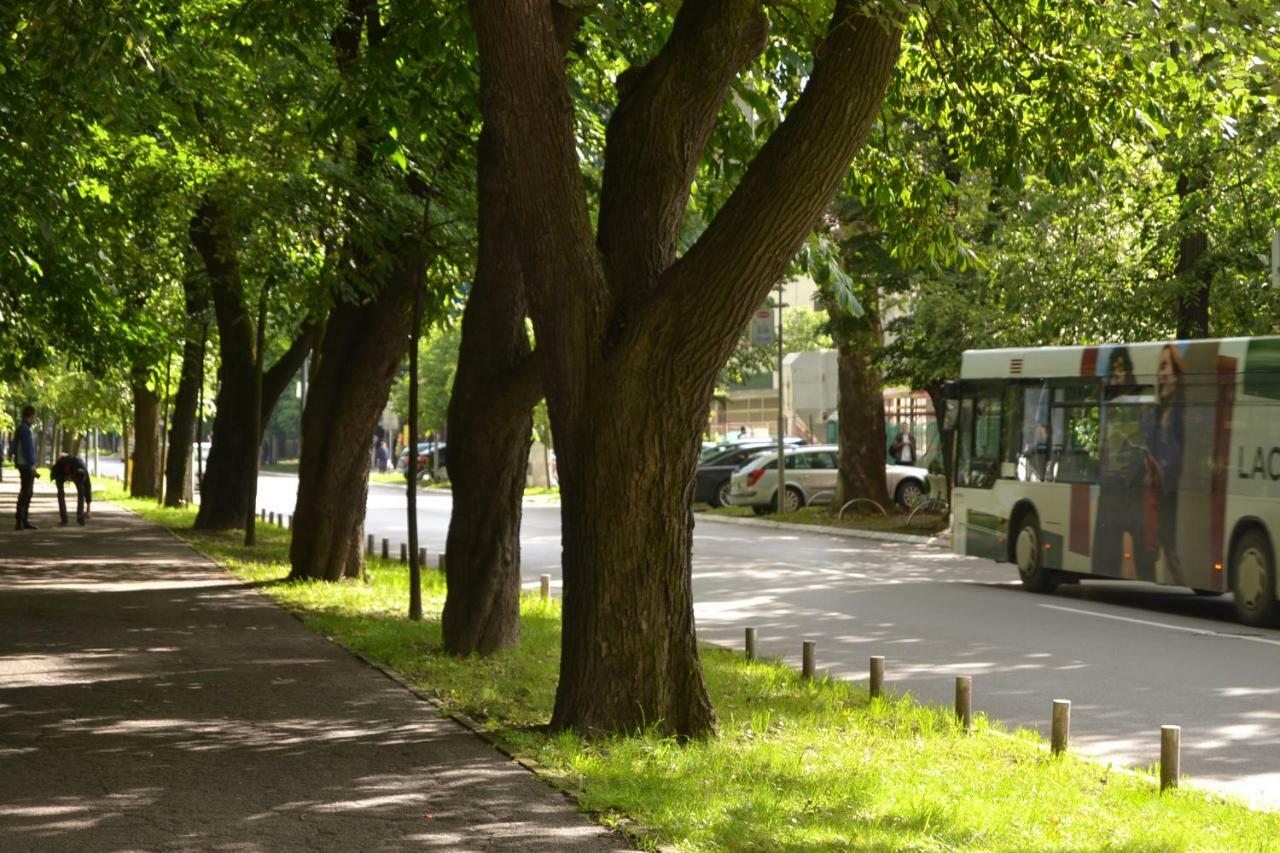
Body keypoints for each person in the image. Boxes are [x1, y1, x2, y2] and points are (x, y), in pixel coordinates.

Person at [1144, 343, 1187, 585]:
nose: (1160, 374)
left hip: (1167, 496)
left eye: (1164, 367)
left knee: (1169, 551)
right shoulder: (1157, 413)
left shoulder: (1181, 415)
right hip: (1153, 493)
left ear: (1177, 376)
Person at [13, 406, 38, 530]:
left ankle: (23, 519)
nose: (35, 419)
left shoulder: (22, 428)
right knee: (26, 492)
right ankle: (21, 520)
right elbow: (28, 449)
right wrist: (32, 465)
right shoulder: (25, 429)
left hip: (22, 464)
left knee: (27, 492)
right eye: (34, 416)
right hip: (26, 465)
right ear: (31, 415)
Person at [50, 454, 93, 526]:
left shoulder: (78, 466)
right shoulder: (60, 466)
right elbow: (87, 486)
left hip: (72, 471)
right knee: (80, 492)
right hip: (71, 471)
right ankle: (78, 518)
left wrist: (88, 509)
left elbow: (87, 486)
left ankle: (67, 519)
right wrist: (88, 509)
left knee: (62, 494)